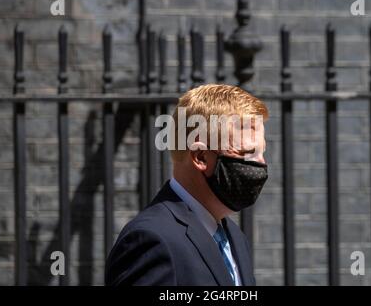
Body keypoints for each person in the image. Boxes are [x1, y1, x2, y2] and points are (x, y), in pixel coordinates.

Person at [105, 84, 269, 286]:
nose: (261, 162)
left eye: (261, 152)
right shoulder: (152, 240)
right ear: (201, 156)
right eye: (247, 152)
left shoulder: (234, 238)